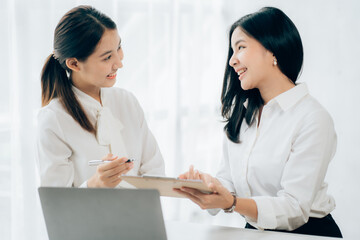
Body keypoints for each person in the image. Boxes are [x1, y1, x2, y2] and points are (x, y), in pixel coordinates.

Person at [174, 7, 342, 238]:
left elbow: (294, 208)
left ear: (272, 49)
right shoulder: (244, 116)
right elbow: (229, 182)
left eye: (240, 47)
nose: (232, 60)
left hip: (308, 233)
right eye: (232, 51)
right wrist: (209, 186)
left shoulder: (313, 118)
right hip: (256, 231)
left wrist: (231, 203)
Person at [36, 5, 165, 188]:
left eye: (119, 48)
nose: (119, 63)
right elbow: (57, 203)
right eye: (107, 58)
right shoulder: (53, 119)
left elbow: (155, 169)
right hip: (90, 218)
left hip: (140, 215)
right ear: (74, 63)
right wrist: (94, 185)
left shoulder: (127, 101)